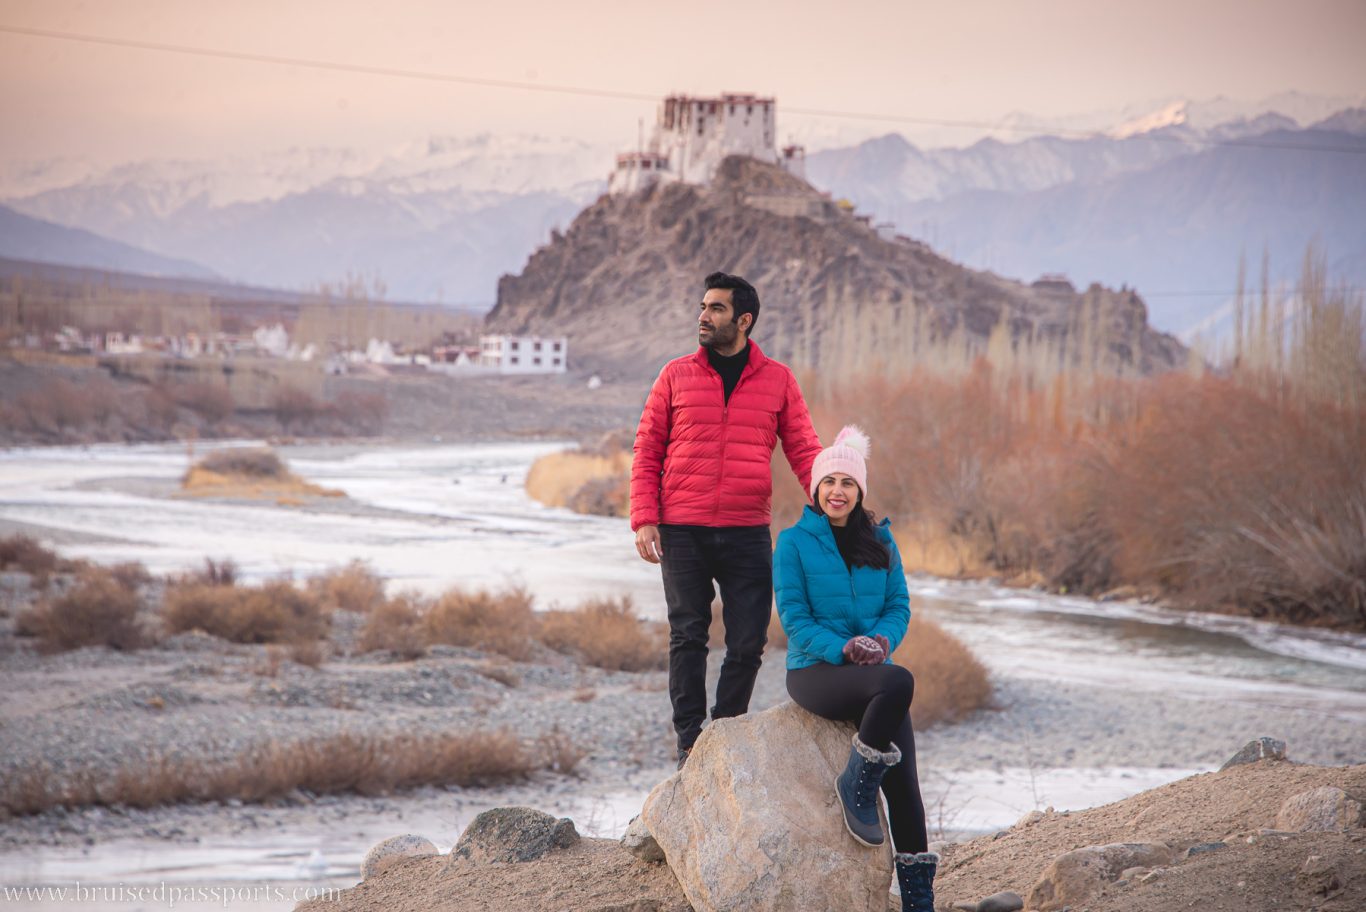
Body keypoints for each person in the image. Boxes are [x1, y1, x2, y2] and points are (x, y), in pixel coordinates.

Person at [631, 271, 822, 769]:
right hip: (682, 528)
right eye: (701, 306)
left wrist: (832, 506)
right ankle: (690, 743)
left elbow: (804, 448)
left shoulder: (778, 379)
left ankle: (726, 731)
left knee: (747, 642)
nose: (702, 316)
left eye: (715, 309)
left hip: (746, 532)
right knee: (688, 635)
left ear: (744, 320)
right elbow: (647, 449)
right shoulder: (675, 375)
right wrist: (644, 519)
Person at [773, 425, 938, 912]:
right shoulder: (793, 543)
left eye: (847, 483)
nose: (837, 492)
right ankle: (856, 784)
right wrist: (847, 648)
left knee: (906, 785)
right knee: (899, 679)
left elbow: (898, 606)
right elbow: (795, 621)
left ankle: (918, 901)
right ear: (815, 489)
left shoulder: (882, 542)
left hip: (870, 675)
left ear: (860, 490)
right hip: (816, 672)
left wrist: (882, 640)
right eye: (829, 483)